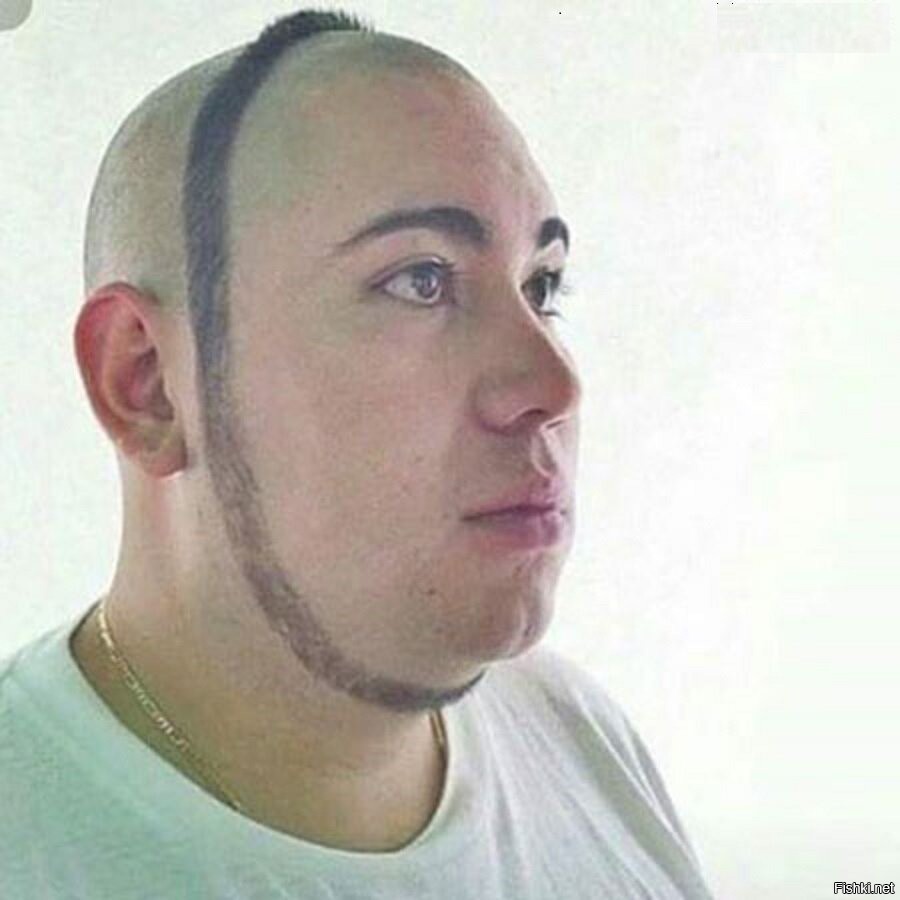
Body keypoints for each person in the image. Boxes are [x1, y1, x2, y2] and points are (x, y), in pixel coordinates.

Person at [0, 9, 715, 897]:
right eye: (421, 279)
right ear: (146, 383)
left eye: (542, 286)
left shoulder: (582, 743)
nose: (553, 384)